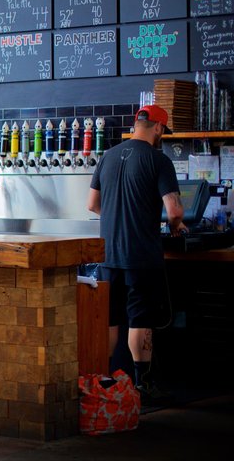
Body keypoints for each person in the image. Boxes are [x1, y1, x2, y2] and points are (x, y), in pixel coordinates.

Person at [87, 104, 186, 403]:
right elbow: (175, 210)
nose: (161, 137)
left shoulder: (108, 156)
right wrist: (177, 227)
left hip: (108, 254)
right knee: (140, 318)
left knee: (111, 319)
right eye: (162, 132)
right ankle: (143, 383)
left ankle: (104, 381)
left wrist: (117, 216)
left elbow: (92, 204)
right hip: (140, 254)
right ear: (157, 127)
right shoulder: (158, 160)